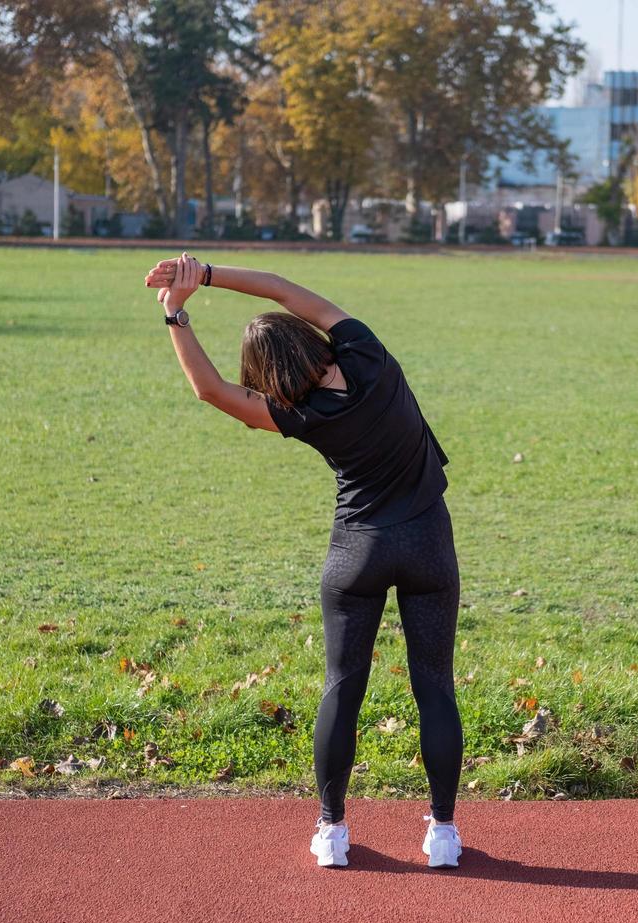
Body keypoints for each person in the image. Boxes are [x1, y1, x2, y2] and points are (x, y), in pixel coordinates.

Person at [144, 253, 464, 870]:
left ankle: (331, 832)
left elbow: (210, 391)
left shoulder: (299, 415)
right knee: (434, 688)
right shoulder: (368, 355)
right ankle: (444, 836)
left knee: (342, 689)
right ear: (310, 340)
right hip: (427, 542)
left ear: (268, 375)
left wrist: (176, 315)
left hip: (356, 552)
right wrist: (206, 272)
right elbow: (285, 290)